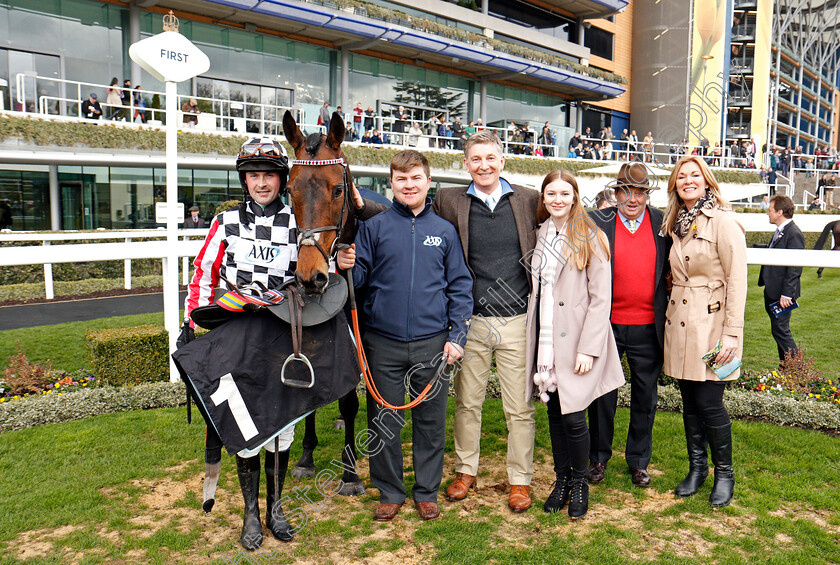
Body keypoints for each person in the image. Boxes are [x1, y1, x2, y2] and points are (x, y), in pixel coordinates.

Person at [180, 136, 378, 550]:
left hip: (283, 333)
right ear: (245, 180)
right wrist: (190, 321)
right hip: (237, 331)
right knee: (247, 425)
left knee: (281, 427)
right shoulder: (225, 222)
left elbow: (315, 269)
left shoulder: (297, 223)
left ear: (281, 179)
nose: (262, 183)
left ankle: (276, 508)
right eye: (254, 176)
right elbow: (203, 272)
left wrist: (340, 262)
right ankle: (251, 513)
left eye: (269, 175)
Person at [347, 150, 473, 522]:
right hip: (382, 341)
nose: (409, 185)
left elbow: (461, 287)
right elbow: (358, 284)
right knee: (383, 419)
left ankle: (426, 491)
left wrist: (458, 336)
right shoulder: (374, 228)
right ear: (392, 184)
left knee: (431, 421)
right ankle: (390, 492)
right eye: (401, 179)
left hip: (433, 343)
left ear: (427, 182)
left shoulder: (445, 231)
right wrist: (346, 267)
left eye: (416, 178)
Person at [433, 130, 539, 512]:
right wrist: (364, 208)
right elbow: (415, 221)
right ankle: (465, 470)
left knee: (520, 407)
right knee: (467, 403)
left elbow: (565, 222)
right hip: (472, 321)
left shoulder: (529, 199)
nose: (484, 165)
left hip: (517, 320)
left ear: (502, 160)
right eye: (476, 159)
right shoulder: (448, 200)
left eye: (490, 158)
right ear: (466, 164)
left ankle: (520, 480)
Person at [525, 169, 624, 519]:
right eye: (550, 193)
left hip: (578, 340)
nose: (557, 200)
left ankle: (580, 482)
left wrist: (589, 348)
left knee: (575, 417)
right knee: (554, 411)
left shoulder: (591, 236)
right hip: (547, 337)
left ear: (575, 197)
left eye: (564, 194)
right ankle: (562, 479)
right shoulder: (541, 234)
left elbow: (601, 299)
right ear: (544, 198)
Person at [662, 156, 747, 508]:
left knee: (711, 404)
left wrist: (731, 334)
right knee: (689, 402)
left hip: (712, 326)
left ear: (707, 181)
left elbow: (737, 281)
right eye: (682, 176)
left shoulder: (723, 222)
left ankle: (724, 472)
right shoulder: (675, 223)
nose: (688, 181)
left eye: (694, 175)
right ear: (675, 185)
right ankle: (697, 469)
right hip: (680, 323)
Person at [587, 163, 672, 488]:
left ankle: (638, 461)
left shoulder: (662, 222)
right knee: (602, 396)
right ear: (616, 192)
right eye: (625, 191)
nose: (632, 198)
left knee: (644, 397)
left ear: (646, 195)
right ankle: (598, 458)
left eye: (639, 192)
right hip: (606, 326)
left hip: (647, 327)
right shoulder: (598, 221)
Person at [758, 195, 804, 362]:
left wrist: (787, 294)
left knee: (781, 331)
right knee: (778, 331)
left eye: (770, 210)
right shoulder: (782, 231)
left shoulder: (793, 233)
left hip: (782, 294)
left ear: (779, 212)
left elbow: (795, 267)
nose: (767, 213)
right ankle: (786, 369)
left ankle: (797, 370)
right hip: (773, 291)